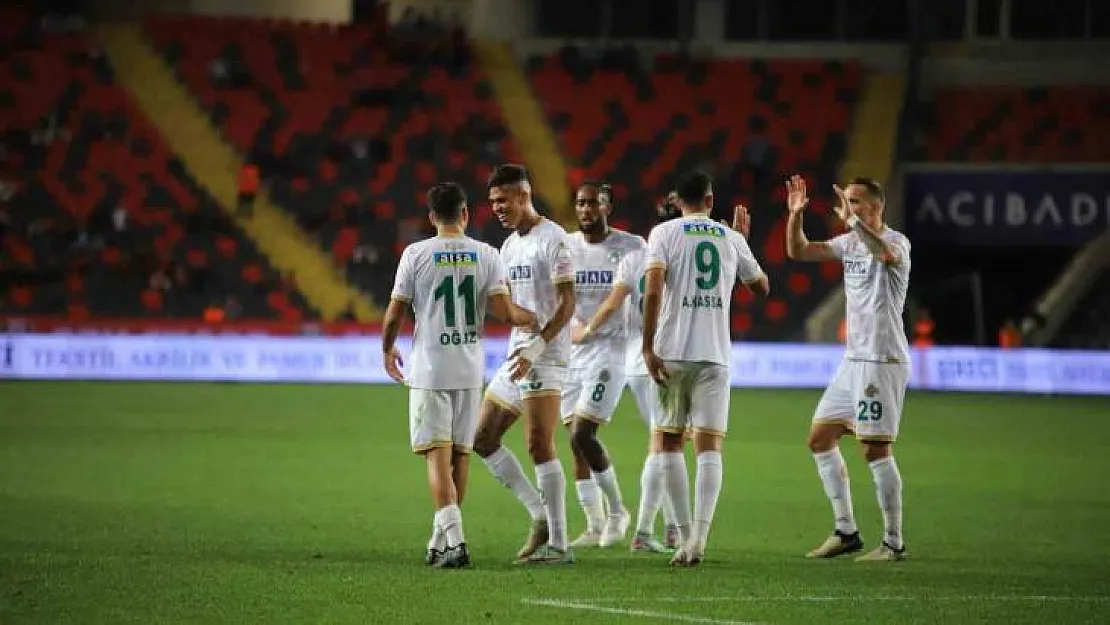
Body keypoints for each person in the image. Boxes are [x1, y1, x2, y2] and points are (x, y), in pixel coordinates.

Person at [381, 182, 537, 569]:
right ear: (465, 214)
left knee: (437, 456)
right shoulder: (486, 254)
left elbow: (395, 312)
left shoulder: (415, 254)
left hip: (430, 369)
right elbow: (504, 311)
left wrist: (387, 348)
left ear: (432, 217)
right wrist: (535, 319)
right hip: (469, 369)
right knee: (460, 457)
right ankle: (440, 542)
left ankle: (457, 540)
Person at [641, 171, 770, 566]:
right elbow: (761, 287)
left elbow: (653, 289)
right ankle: (698, 537)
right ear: (711, 201)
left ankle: (682, 536)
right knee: (710, 447)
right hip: (715, 355)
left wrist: (647, 346)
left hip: (671, 353)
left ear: (678, 201)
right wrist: (741, 245)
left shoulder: (663, 234)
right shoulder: (730, 238)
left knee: (667, 442)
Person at [784, 173, 912, 562]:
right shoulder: (849, 244)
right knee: (820, 438)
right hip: (852, 360)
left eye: (857, 202)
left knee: (874, 449)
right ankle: (846, 530)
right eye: (848, 202)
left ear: (877, 206)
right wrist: (795, 216)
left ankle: (893, 542)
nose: (849, 207)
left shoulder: (895, 242)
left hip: (881, 358)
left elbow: (884, 255)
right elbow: (799, 252)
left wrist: (853, 223)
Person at [472, 164, 578, 565]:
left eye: (503, 200)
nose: (497, 208)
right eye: (493, 202)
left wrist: (539, 344)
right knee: (482, 437)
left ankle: (561, 546)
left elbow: (568, 303)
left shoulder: (554, 241)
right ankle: (540, 516)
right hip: (518, 354)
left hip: (546, 356)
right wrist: (500, 308)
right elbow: (516, 304)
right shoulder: (508, 247)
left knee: (538, 443)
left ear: (524, 195)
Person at [573, 238, 681, 555]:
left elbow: (612, 302)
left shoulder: (633, 258)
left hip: (635, 362)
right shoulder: (681, 259)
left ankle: (672, 527)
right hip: (665, 358)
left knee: (665, 442)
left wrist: (588, 329)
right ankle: (646, 531)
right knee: (664, 443)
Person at [561, 182, 645, 549]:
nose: (586, 210)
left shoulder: (632, 246)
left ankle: (617, 511)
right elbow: (557, 295)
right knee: (574, 442)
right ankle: (593, 524)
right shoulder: (565, 246)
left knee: (583, 433)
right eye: (580, 203)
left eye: (594, 203)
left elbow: (636, 296)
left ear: (608, 206)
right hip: (572, 353)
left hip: (611, 350)